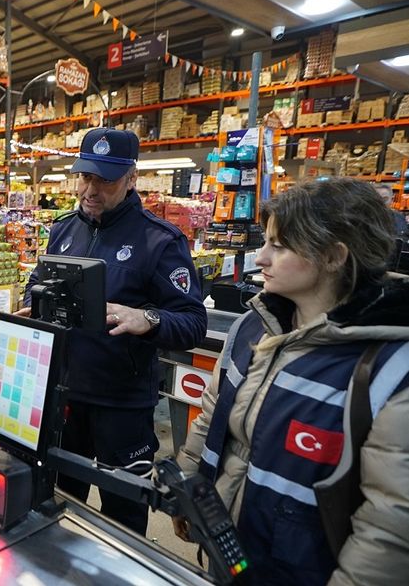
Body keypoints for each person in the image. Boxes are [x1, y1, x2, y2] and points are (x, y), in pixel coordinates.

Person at [174, 178, 409, 585]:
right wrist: (186, 493)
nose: (259, 258)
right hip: (231, 554)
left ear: (335, 256)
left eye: (278, 247)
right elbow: (212, 417)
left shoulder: (391, 367)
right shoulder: (253, 327)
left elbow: (390, 524)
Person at [18, 128, 208, 535]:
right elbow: (39, 285)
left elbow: (193, 323)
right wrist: (32, 304)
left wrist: (148, 319)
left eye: (105, 179)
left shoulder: (160, 241)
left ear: (132, 178)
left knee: (123, 517)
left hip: (122, 408)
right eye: (85, 176)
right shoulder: (64, 230)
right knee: (59, 507)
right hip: (63, 400)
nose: (91, 189)